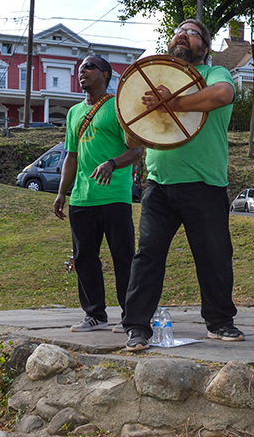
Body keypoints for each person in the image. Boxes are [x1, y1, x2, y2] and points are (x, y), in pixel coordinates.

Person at [122, 19, 243, 351]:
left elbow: (223, 95)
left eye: (192, 32)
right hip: (159, 183)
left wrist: (171, 103)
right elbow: (132, 133)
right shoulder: (157, 80)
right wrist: (131, 112)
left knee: (214, 256)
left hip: (205, 182)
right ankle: (137, 328)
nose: (182, 35)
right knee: (147, 255)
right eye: (178, 31)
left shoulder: (215, 74)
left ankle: (219, 322)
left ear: (205, 47)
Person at [54, 55, 143, 334]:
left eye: (90, 66)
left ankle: (132, 316)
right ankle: (94, 315)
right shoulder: (73, 113)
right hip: (82, 198)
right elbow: (71, 156)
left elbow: (136, 150)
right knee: (84, 259)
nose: (83, 70)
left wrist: (112, 163)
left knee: (123, 257)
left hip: (114, 196)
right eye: (80, 67)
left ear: (106, 75)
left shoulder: (119, 107)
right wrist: (62, 193)